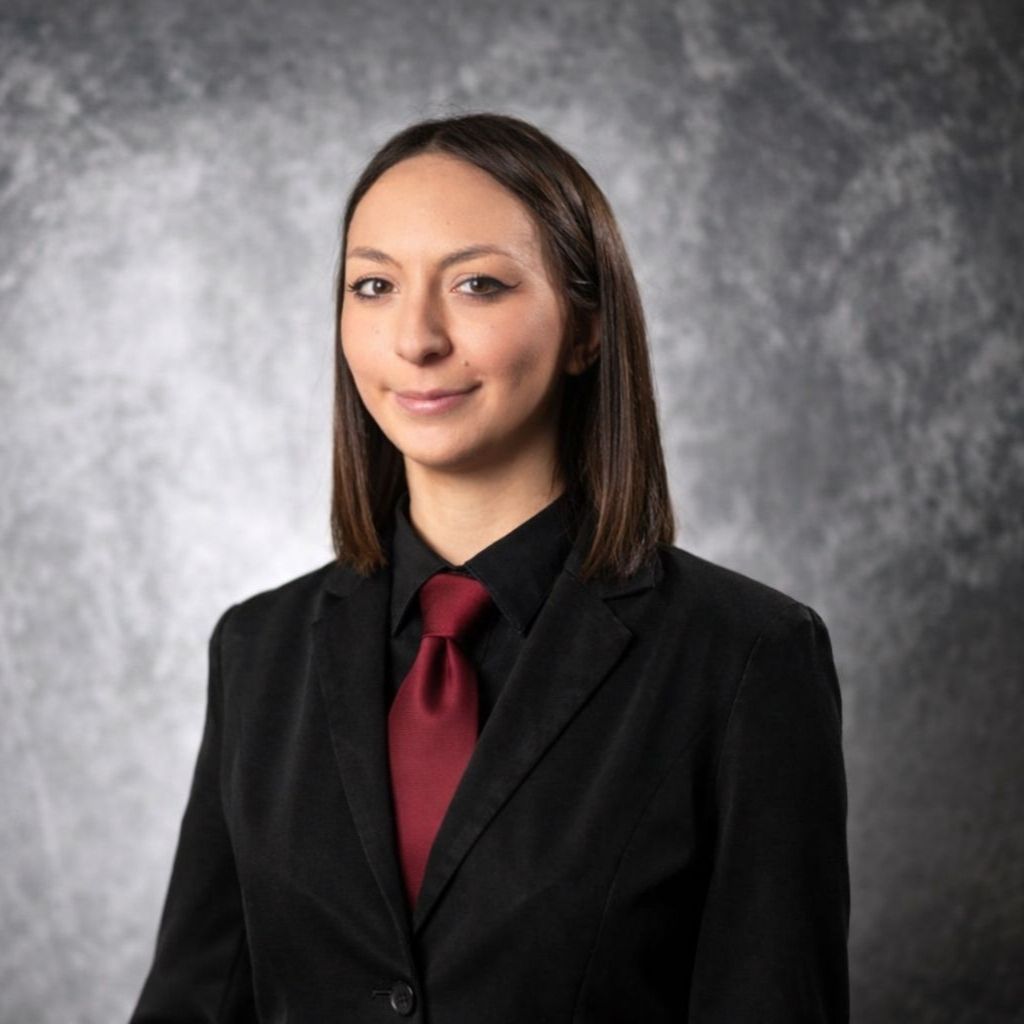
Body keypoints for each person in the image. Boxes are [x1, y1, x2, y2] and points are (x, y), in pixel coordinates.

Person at [129, 112, 849, 1022]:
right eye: (374, 285)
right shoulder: (258, 649)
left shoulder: (745, 656)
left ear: (586, 328)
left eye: (477, 284)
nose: (417, 338)